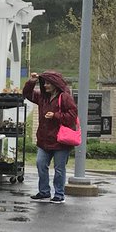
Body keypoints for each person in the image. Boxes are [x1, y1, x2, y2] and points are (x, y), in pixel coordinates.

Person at [23, 70, 80, 203]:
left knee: (59, 169)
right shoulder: (42, 97)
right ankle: (44, 192)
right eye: (44, 83)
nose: (45, 86)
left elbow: (72, 116)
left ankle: (59, 195)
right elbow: (27, 94)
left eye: (48, 83)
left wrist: (55, 116)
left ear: (55, 84)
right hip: (44, 139)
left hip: (61, 141)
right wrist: (32, 81)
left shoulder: (65, 97)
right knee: (40, 164)